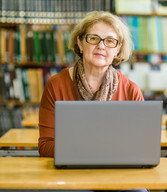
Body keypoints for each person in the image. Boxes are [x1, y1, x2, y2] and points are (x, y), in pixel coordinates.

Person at [38, 11, 144, 157]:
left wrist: (82, 146)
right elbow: (45, 146)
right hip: (69, 173)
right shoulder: (55, 85)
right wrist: (102, 147)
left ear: (117, 50)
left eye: (110, 41)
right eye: (93, 38)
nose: (101, 46)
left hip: (116, 172)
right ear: (80, 43)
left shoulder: (131, 90)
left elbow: (140, 146)